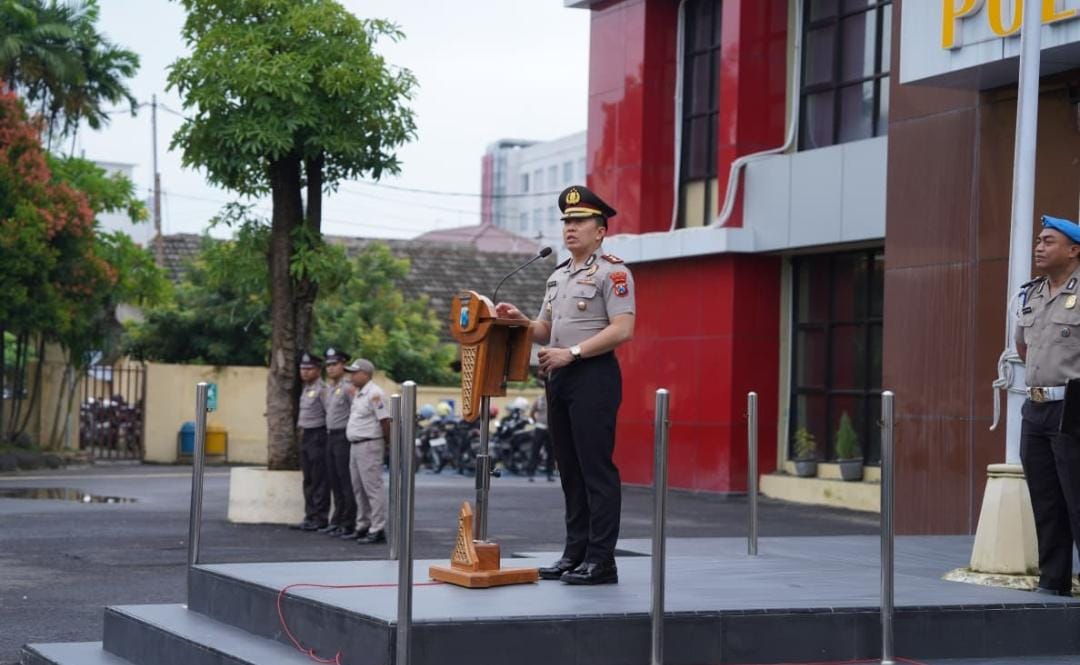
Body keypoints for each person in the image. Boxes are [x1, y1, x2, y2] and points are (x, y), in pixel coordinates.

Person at [495, 184, 635, 585]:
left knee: (596, 471)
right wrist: (520, 320)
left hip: (593, 376)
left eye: (579, 221)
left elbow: (623, 329)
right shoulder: (557, 277)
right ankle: (575, 553)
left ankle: (601, 559)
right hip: (558, 378)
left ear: (600, 229)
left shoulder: (614, 272)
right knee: (569, 471)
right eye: (566, 222)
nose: (570, 228)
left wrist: (571, 353)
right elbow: (544, 330)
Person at [1016, 215, 1080, 597]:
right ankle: (1052, 582)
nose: (1039, 246)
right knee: (1046, 499)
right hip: (1035, 407)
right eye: (1039, 240)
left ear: (1074, 250)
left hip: (1073, 407)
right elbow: (1023, 345)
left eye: (1049, 241)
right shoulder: (1032, 293)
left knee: (1078, 499)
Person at [344, 358, 392, 544]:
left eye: (355, 372)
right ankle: (362, 525)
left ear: (366, 374)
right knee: (358, 488)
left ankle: (377, 528)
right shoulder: (359, 393)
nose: (351, 376)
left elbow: (385, 421)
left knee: (372, 488)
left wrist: (388, 445)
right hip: (356, 445)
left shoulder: (375, 393)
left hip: (370, 444)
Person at [321, 347, 358, 538]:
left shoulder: (348, 388)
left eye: (334, 364)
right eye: (327, 365)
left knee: (345, 481)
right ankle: (336, 519)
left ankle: (348, 521)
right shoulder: (329, 388)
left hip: (343, 436)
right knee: (334, 480)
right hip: (330, 436)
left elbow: (355, 411)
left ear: (343, 364)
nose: (330, 368)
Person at [293, 352, 330, 531]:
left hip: (318, 435)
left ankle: (320, 517)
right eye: (302, 368)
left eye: (309, 369)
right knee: (308, 479)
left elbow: (329, 414)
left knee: (318, 479)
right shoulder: (306, 389)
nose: (304, 372)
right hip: (306, 436)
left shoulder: (323, 389)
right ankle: (310, 515)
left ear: (317, 370)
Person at [527, 392, 554, 482]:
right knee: (535, 451)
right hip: (540, 428)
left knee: (551, 452)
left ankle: (550, 474)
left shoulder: (554, 397)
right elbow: (531, 413)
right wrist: (536, 421)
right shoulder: (539, 400)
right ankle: (531, 473)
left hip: (551, 428)